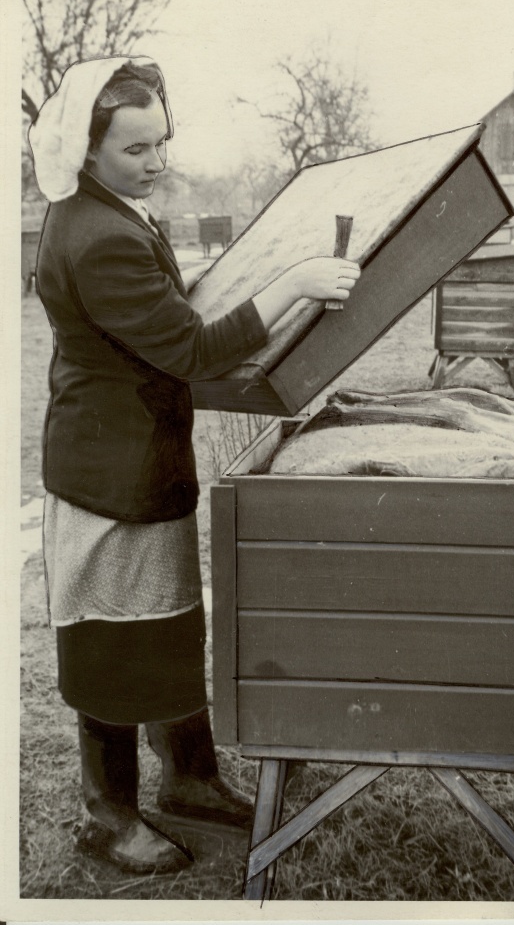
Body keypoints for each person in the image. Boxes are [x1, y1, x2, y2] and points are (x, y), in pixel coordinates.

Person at [30, 55, 360, 876]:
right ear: (88, 149)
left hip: (139, 460)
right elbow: (188, 345)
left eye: (162, 142)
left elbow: (168, 314)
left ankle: (189, 778)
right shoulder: (98, 233)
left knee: (169, 624)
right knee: (110, 643)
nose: (157, 162)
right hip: (111, 475)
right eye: (137, 149)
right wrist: (291, 283)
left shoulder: (115, 211)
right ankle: (108, 818)